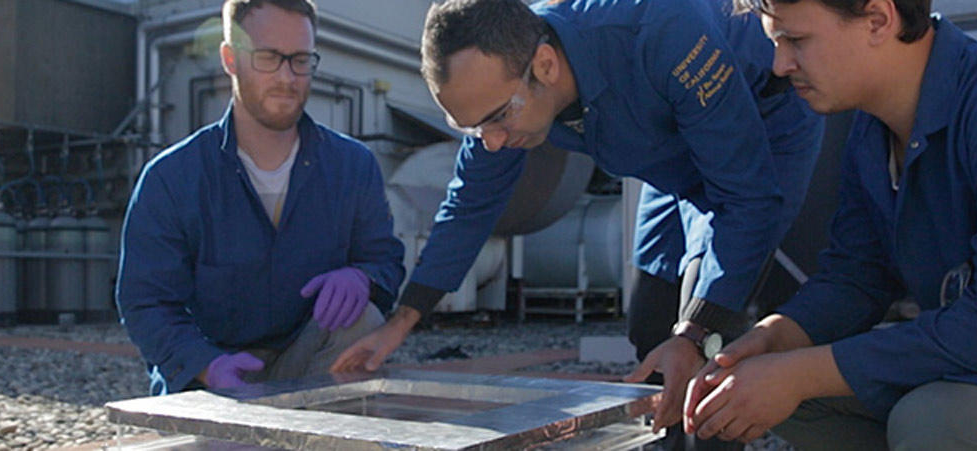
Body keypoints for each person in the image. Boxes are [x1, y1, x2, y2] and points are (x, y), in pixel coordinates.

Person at [331, 0, 824, 443]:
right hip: (665, 161)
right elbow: (469, 204)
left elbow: (745, 195)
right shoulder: (504, 88)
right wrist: (401, 323)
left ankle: (713, 431)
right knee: (651, 322)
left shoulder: (664, 29)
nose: (493, 141)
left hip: (754, 131)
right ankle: (666, 434)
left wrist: (695, 332)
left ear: (545, 65)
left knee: (714, 333)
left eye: (498, 119)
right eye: (473, 127)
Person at [682, 0, 977, 449]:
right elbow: (855, 278)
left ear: (878, 19)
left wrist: (800, 371)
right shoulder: (873, 131)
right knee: (773, 392)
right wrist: (772, 341)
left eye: (796, 40)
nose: (780, 64)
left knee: (940, 420)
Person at [116, 0, 404, 395]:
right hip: (209, 379)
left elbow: (385, 259)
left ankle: (323, 433)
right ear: (231, 59)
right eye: (269, 57)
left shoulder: (353, 168)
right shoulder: (173, 178)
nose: (287, 77)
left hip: (309, 366)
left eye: (301, 60)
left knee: (362, 319)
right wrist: (206, 365)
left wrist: (363, 276)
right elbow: (145, 301)